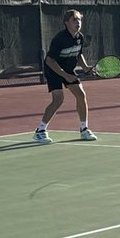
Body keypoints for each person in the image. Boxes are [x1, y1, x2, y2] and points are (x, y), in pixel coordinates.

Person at [33, 9, 97, 143]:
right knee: (58, 99)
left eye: (79, 19)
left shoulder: (80, 37)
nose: (78, 22)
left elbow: (78, 54)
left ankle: (84, 129)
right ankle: (40, 131)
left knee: (81, 94)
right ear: (66, 22)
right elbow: (50, 60)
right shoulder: (60, 39)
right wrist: (64, 75)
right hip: (53, 70)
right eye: (74, 20)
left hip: (67, 69)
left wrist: (85, 68)